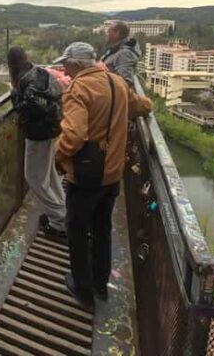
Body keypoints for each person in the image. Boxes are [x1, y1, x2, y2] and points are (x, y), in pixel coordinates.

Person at [53, 41, 152, 310]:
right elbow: (140, 105)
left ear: (76, 64)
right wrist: (148, 104)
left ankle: (82, 290)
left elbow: (73, 135)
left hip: (85, 176)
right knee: (101, 228)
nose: (65, 68)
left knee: (77, 230)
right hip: (112, 174)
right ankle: (100, 284)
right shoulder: (116, 82)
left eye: (67, 64)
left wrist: (58, 155)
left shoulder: (78, 89)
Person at [7, 47, 67, 240]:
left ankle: (60, 219)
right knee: (48, 173)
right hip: (51, 129)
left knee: (33, 177)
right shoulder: (38, 71)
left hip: (38, 134)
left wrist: (14, 97)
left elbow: (30, 108)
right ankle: (61, 210)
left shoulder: (26, 81)